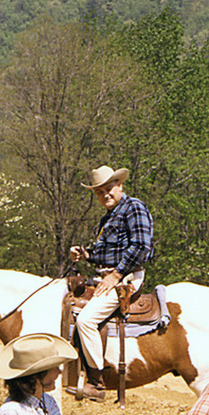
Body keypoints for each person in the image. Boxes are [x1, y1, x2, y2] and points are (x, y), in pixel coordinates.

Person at [66, 164, 154, 401]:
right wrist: (85, 254)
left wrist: (116, 275)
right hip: (107, 275)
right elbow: (104, 254)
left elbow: (142, 246)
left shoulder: (134, 207)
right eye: (99, 192)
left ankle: (96, 383)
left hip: (126, 277)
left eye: (109, 189)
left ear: (120, 185)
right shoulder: (108, 217)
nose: (105, 194)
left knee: (86, 320)